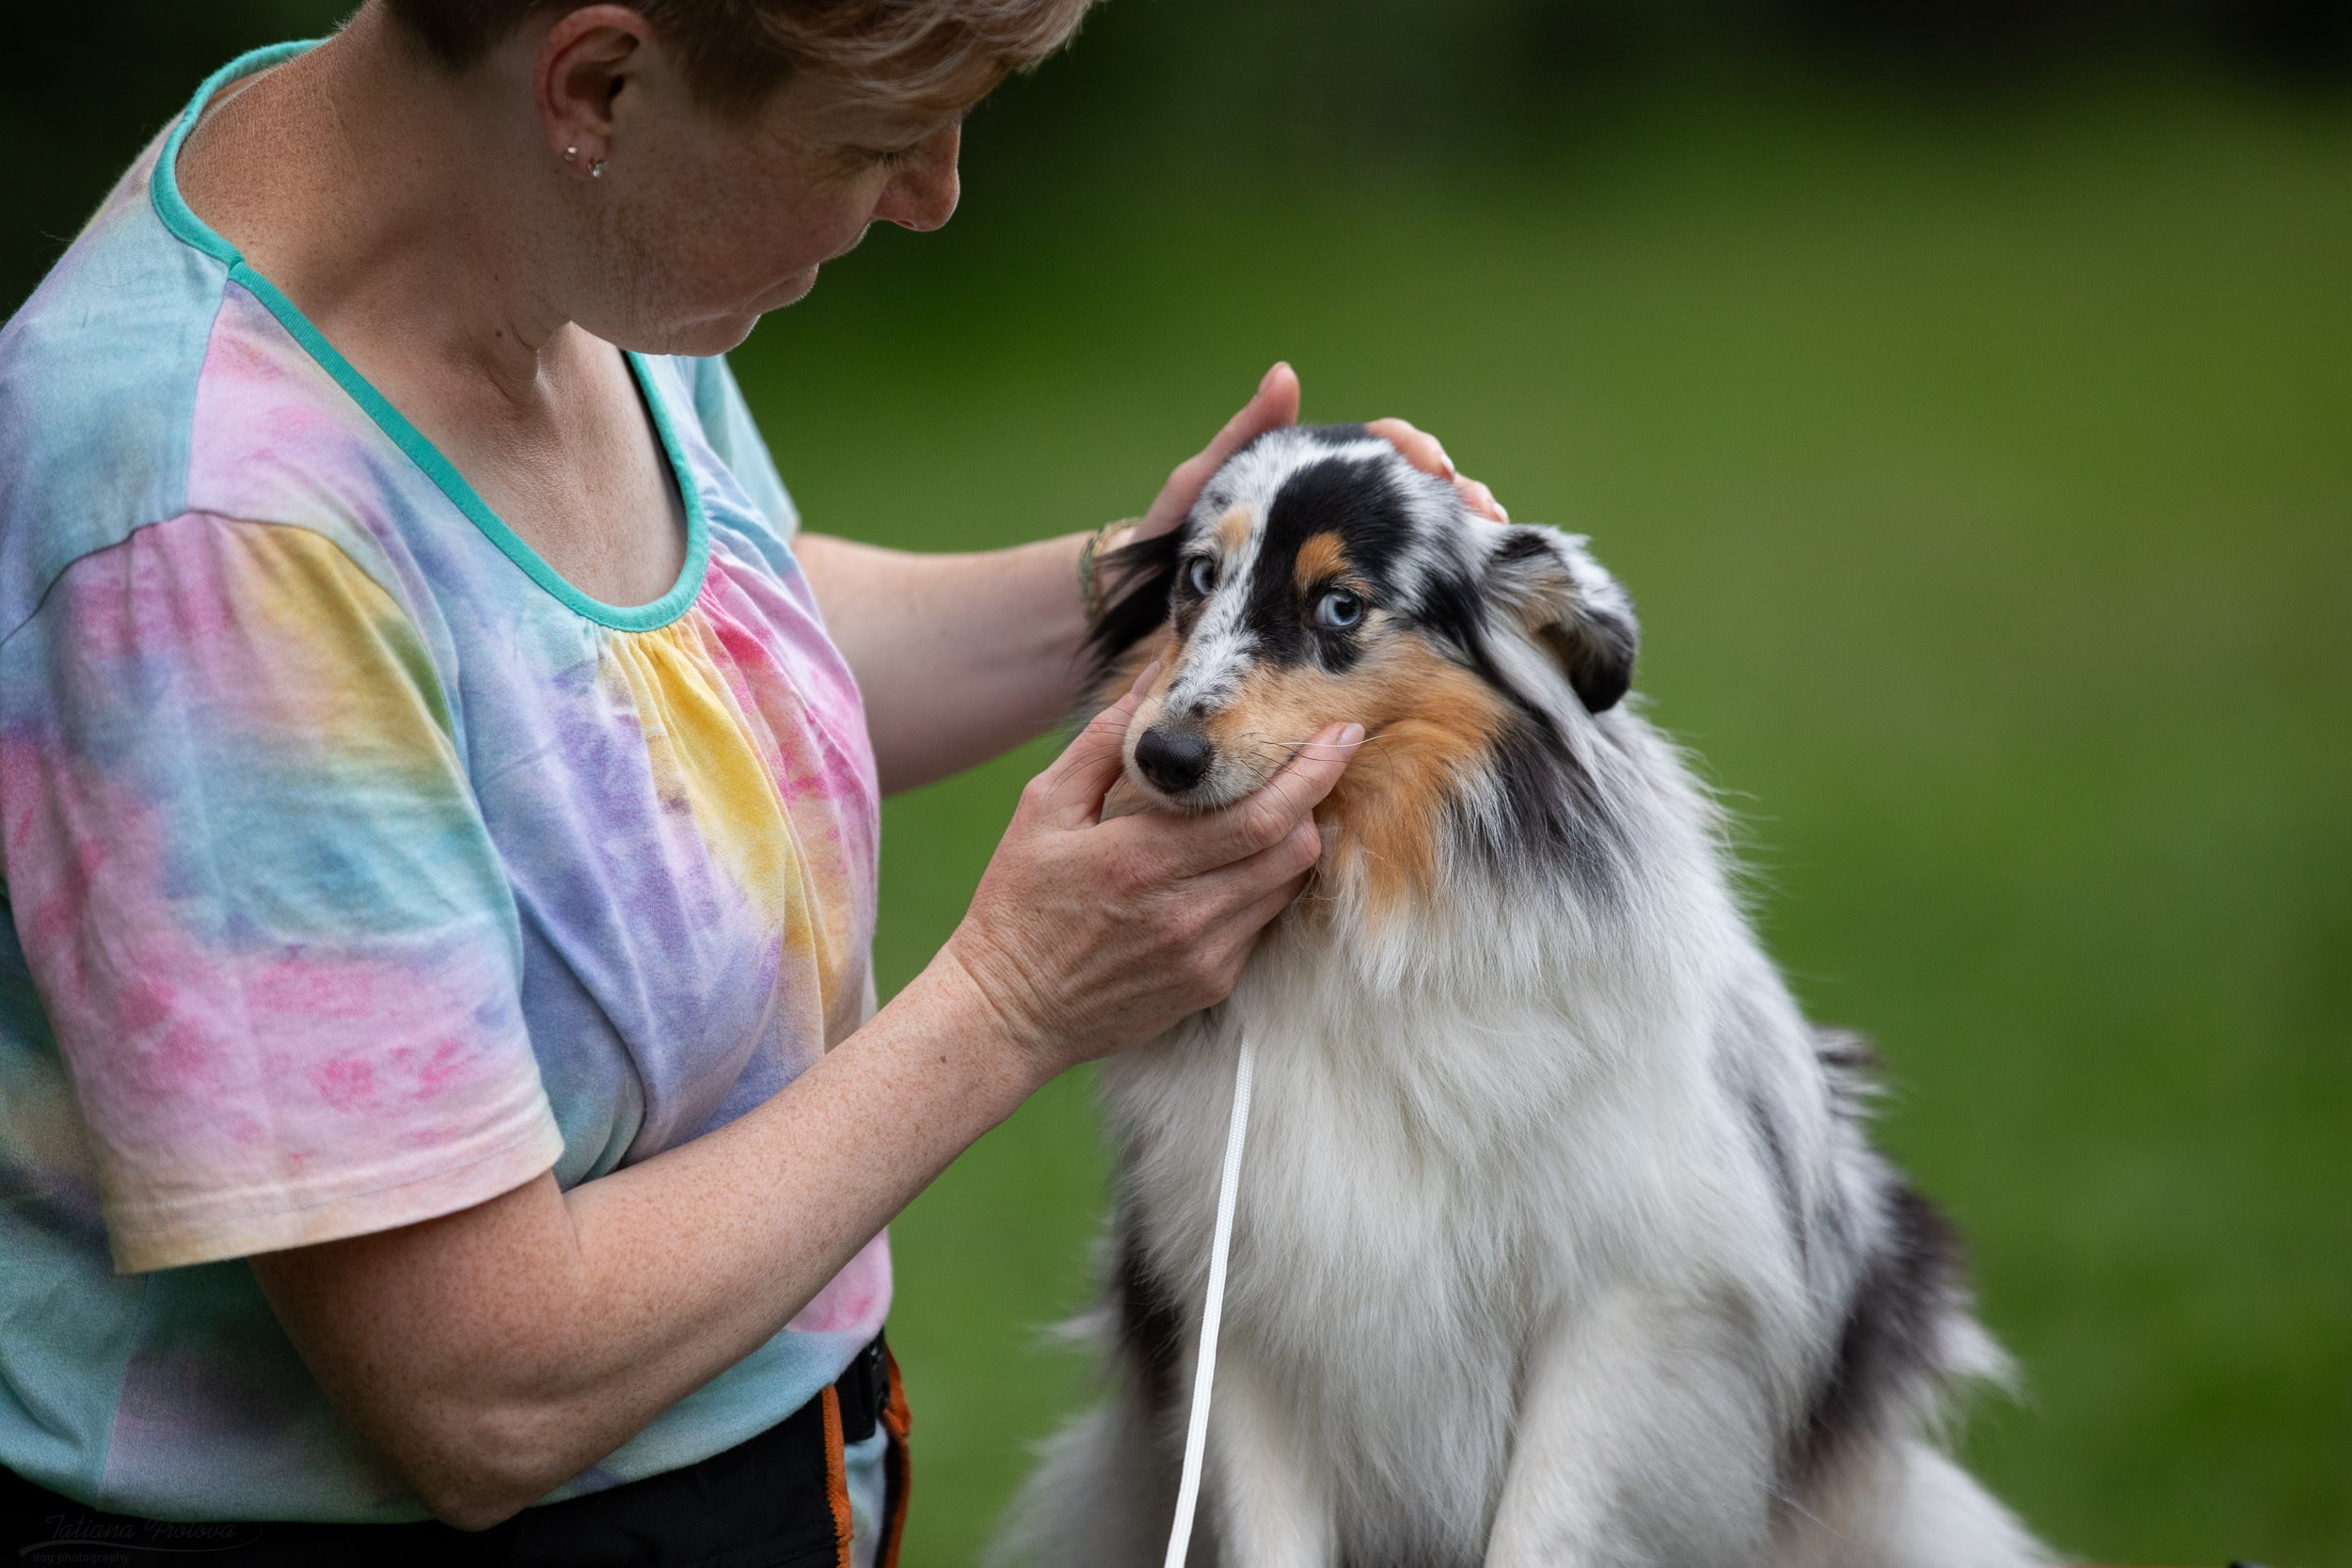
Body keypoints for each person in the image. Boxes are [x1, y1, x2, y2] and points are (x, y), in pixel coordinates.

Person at [0, 3, 1504, 1561]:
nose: (936, 194)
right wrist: (1016, 999)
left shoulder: (526, 224)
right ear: (598, 81)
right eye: (871, 139)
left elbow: (696, 655)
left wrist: (1166, 589)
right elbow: (479, 1392)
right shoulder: (208, 531)